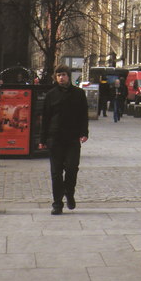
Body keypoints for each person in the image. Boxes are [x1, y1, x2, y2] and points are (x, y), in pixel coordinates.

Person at [38, 65, 89, 215]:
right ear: (56, 77)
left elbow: (83, 115)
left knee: (72, 168)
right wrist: (42, 139)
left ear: (69, 76)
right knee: (56, 172)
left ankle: (69, 192)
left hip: (72, 138)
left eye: (64, 75)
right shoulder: (51, 95)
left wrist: (84, 132)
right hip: (55, 138)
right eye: (59, 75)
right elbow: (45, 118)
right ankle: (57, 203)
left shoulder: (79, 94)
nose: (61, 77)